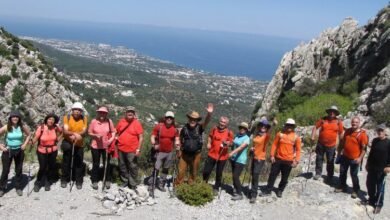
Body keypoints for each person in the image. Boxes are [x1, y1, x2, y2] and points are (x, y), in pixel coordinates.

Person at [175, 103, 214, 186]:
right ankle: (178, 187)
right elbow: (180, 139)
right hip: (184, 153)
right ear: (189, 119)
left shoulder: (200, 128)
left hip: (196, 154)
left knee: (193, 172)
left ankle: (191, 186)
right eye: (191, 119)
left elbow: (206, 122)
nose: (193, 121)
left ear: (197, 121)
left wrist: (209, 113)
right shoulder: (184, 128)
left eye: (195, 119)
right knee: (181, 171)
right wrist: (178, 151)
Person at [262, 118, 301, 198]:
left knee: (285, 177)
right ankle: (268, 190)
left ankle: (280, 190)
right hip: (278, 159)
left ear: (293, 127)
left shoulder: (296, 137)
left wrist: (296, 160)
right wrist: (272, 155)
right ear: (285, 126)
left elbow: (298, 149)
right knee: (272, 175)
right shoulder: (280, 134)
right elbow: (274, 145)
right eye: (288, 125)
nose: (289, 127)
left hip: (289, 160)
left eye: (291, 125)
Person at [335, 116, 368, 198]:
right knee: (342, 172)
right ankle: (342, 186)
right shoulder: (348, 131)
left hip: (355, 159)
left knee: (354, 175)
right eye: (353, 122)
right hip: (345, 156)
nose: (354, 124)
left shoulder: (362, 135)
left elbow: (364, 149)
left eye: (356, 122)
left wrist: (360, 158)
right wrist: (339, 152)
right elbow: (343, 142)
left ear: (359, 123)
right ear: (351, 123)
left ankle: (356, 190)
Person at [0, 111, 31, 197]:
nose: (15, 118)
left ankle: (18, 187)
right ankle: (2, 188)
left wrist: (24, 144)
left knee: (18, 169)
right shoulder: (7, 127)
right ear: (10, 118)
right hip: (8, 150)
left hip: (19, 150)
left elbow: (29, 135)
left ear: (19, 118)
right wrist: (1, 147)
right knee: (5, 170)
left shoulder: (21, 127)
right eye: (13, 117)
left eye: (17, 117)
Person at [148, 111, 180, 194]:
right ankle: (152, 184)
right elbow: (153, 136)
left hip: (169, 152)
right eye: (167, 117)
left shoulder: (175, 129)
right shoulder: (159, 126)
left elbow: (176, 139)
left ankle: (161, 184)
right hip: (159, 151)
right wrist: (154, 144)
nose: (169, 119)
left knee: (166, 169)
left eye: (171, 118)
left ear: (173, 119)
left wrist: (177, 145)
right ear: (165, 118)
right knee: (156, 168)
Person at [311, 105, 344, 181]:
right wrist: (312, 136)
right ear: (328, 112)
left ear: (336, 113)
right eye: (331, 111)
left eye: (334, 112)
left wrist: (341, 144)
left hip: (331, 145)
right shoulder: (323, 119)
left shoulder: (338, 122)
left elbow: (341, 133)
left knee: (330, 160)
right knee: (319, 158)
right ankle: (318, 173)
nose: (332, 113)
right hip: (321, 143)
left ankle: (330, 175)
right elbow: (315, 127)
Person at [202, 116, 234, 194]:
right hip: (212, 154)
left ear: (226, 124)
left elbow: (231, 143)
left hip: (222, 156)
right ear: (219, 121)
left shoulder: (229, 132)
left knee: (219, 173)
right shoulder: (214, 129)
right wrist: (209, 143)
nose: (222, 123)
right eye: (221, 121)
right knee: (206, 171)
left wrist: (228, 143)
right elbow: (210, 136)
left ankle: (216, 188)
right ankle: (204, 184)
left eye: (224, 122)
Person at [31, 113, 62, 192]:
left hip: (53, 150)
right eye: (49, 119)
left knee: (51, 167)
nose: (51, 121)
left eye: (53, 120)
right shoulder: (41, 128)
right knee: (42, 167)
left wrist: (58, 137)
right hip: (42, 150)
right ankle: (38, 182)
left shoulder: (55, 128)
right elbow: (35, 138)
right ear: (46, 119)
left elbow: (62, 132)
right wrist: (31, 143)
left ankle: (48, 181)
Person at [61, 102, 88, 189]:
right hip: (68, 142)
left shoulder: (84, 119)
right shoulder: (67, 118)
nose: (77, 111)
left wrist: (76, 135)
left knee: (79, 163)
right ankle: (64, 179)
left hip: (79, 144)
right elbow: (65, 131)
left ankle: (78, 181)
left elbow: (84, 131)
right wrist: (75, 134)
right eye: (75, 109)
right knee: (66, 162)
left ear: (81, 112)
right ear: (72, 110)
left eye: (79, 110)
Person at [88, 106, 116, 190]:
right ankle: (94, 180)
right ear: (98, 113)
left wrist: (111, 140)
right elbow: (89, 132)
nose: (102, 114)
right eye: (100, 112)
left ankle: (107, 179)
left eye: (104, 113)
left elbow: (113, 131)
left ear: (106, 114)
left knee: (106, 163)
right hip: (95, 146)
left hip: (106, 146)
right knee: (96, 163)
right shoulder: (94, 121)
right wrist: (95, 135)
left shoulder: (109, 121)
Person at [116, 106, 144, 189]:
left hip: (132, 150)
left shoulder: (137, 123)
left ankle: (132, 183)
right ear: (125, 113)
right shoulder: (121, 121)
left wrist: (138, 149)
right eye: (128, 112)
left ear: (134, 114)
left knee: (133, 167)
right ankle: (125, 181)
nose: (130, 113)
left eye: (132, 112)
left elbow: (141, 137)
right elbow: (116, 131)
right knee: (122, 166)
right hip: (121, 149)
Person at [365, 124, 390, 214]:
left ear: (385, 132)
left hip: (382, 169)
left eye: (381, 130)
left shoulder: (388, 142)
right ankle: (371, 200)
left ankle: (379, 204)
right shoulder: (375, 141)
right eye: (378, 130)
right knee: (369, 184)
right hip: (372, 167)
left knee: (380, 188)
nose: (380, 132)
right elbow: (371, 153)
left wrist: (388, 166)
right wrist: (367, 163)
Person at [249, 119, 271, 203]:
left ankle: (254, 195)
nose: (263, 127)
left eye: (265, 126)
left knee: (255, 174)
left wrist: (273, 124)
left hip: (260, 159)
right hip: (254, 157)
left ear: (267, 128)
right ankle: (252, 192)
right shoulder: (257, 135)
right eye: (262, 125)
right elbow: (255, 145)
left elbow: (270, 133)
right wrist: (252, 149)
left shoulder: (266, 136)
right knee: (253, 174)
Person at [228, 122, 251, 201]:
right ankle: (235, 188)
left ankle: (239, 193)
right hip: (234, 159)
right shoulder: (237, 135)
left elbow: (241, 147)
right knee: (234, 175)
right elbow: (233, 144)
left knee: (235, 176)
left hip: (240, 160)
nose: (242, 129)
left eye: (244, 128)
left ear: (246, 130)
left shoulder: (247, 138)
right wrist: (228, 144)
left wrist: (232, 153)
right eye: (241, 127)